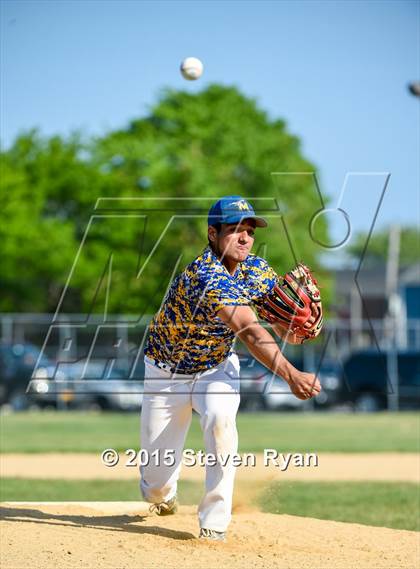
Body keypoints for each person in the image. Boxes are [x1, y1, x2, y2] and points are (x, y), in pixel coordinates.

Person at [140, 195, 321, 541]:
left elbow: (274, 321)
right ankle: (164, 496)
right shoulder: (205, 274)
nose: (245, 238)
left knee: (221, 422)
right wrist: (291, 374)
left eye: (249, 231)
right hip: (166, 373)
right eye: (234, 230)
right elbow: (251, 331)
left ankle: (214, 523)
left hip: (216, 368)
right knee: (155, 483)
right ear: (212, 234)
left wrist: (294, 327)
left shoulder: (256, 270)